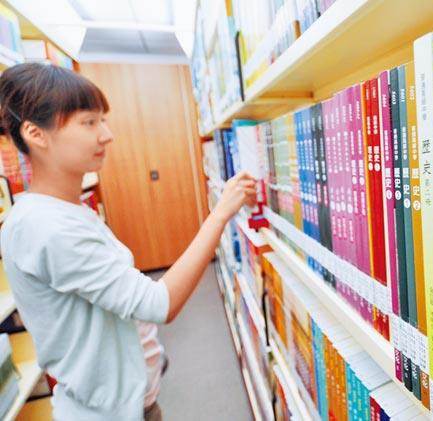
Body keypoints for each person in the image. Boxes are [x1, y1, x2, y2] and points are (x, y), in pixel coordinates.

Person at [0, 63, 257, 420]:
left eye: (103, 121)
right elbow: (159, 303)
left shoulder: (64, 211)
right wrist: (220, 213)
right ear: (35, 134)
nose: (107, 135)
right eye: (89, 123)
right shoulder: (45, 226)